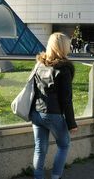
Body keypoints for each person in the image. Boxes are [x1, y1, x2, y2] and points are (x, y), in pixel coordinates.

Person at [30, 32, 78, 179]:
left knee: (40, 149)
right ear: (63, 47)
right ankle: (56, 177)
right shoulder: (64, 68)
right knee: (64, 145)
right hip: (53, 114)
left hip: (37, 113)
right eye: (68, 44)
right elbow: (66, 99)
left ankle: (38, 177)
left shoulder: (40, 64)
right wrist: (71, 123)